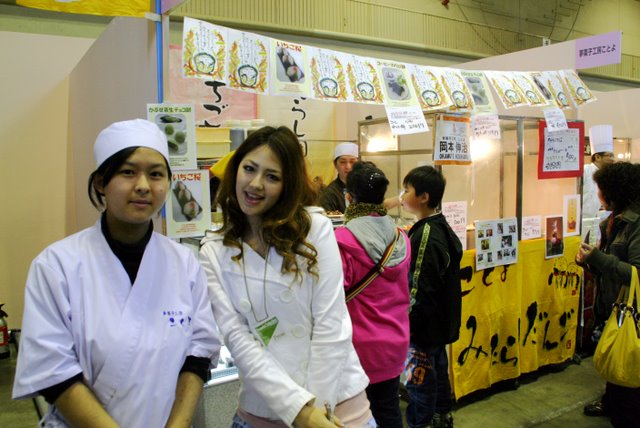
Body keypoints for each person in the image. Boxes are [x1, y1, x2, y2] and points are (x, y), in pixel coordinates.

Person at [12, 119, 221, 427]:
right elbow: (53, 372)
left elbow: (199, 354)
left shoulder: (184, 263)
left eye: (156, 174)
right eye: (128, 172)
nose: (143, 185)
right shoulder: (56, 266)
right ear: (101, 182)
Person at [199, 126, 374, 427]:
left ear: (287, 184)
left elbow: (331, 323)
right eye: (249, 169)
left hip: (338, 407)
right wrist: (301, 413)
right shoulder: (214, 250)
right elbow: (238, 340)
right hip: (263, 412)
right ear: (235, 170)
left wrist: (317, 413)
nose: (255, 184)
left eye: (272, 177)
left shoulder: (314, 229)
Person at [335, 161, 411, 428]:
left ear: (349, 197)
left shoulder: (343, 241)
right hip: (397, 341)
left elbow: (333, 296)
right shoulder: (401, 238)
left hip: (361, 348)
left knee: (357, 416)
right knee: (389, 409)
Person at [576, 162, 640, 426]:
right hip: (613, 303)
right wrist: (589, 262)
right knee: (614, 352)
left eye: (601, 189)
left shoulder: (635, 224)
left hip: (631, 307)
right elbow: (608, 265)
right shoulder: (614, 220)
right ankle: (611, 400)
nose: (598, 195)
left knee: (627, 360)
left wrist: (597, 258)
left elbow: (635, 274)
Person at [400, 166, 462, 428]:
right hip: (437, 325)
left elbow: (420, 289)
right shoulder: (438, 225)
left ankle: (421, 423)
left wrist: (408, 326)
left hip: (423, 328)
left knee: (419, 383)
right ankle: (441, 417)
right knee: (437, 372)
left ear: (424, 197)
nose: (402, 195)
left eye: (407, 190)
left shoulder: (426, 234)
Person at [582, 124, 615, 220]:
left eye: (612, 156)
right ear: (597, 157)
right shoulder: (586, 170)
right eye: (609, 156)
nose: (613, 159)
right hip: (582, 219)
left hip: (600, 219)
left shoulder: (609, 175)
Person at [319, 142, 359, 214]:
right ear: (335, 164)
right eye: (343, 162)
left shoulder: (365, 189)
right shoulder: (329, 194)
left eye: (352, 162)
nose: (348, 167)